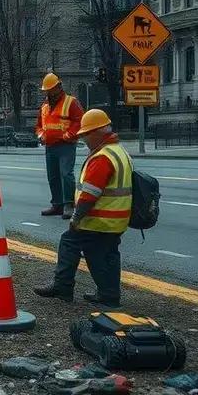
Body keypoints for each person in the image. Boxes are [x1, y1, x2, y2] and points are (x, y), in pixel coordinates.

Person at [34, 109, 132, 309]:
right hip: (116, 219)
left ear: (98, 132)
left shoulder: (102, 157)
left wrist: (76, 218)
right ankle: (109, 295)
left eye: (86, 134)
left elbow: (90, 194)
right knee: (106, 255)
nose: (84, 139)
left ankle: (63, 286)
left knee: (69, 242)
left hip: (99, 220)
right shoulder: (120, 152)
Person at [35, 72, 84, 219]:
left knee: (66, 174)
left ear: (58, 87)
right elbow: (39, 125)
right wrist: (41, 135)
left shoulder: (71, 102)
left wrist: (68, 135)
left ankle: (69, 204)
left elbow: (79, 121)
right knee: (53, 176)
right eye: (46, 90)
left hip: (65, 145)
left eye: (50, 89)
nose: (48, 92)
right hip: (50, 146)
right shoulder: (44, 106)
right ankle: (57, 205)